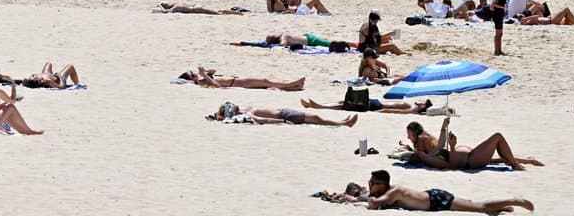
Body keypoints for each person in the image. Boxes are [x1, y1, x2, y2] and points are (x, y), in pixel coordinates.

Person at [364, 169, 533, 213]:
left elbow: (373, 205)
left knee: (479, 207)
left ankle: (514, 200)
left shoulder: (393, 192)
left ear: (382, 184)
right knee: (474, 206)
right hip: (433, 199)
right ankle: (503, 207)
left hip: (437, 200)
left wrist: (363, 198)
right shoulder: (389, 191)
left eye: (372, 183)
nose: (370, 185)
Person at [404, 118, 544, 171]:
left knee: (497, 157)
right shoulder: (429, 158)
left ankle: (527, 160)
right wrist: (452, 147)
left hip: (468, 155)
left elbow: (440, 146)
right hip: (470, 160)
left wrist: (443, 126)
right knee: (497, 138)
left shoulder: (429, 153)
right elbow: (452, 167)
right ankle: (516, 165)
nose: (417, 148)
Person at [207, 103, 357, 127]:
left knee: (315, 118)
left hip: (284, 112)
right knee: (316, 119)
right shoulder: (247, 114)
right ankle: (342, 123)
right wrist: (283, 121)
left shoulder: (246, 109)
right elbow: (264, 120)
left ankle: (341, 122)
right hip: (285, 115)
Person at [179, 66, 304, 91]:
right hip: (239, 82)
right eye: (193, 75)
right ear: (192, 79)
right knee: (266, 81)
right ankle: (291, 84)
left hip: (238, 80)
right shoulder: (201, 83)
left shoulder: (202, 78)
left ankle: (294, 87)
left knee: (266, 83)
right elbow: (217, 86)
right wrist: (205, 75)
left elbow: (214, 72)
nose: (195, 74)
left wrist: (206, 71)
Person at [301, 97, 430, 114]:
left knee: (344, 105)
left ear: (423, 106)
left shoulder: (412, 109)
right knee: (343, 102)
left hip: (376, 107)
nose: (420, 100)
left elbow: (398, 111)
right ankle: (320, 105)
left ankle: (319, 106)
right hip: (376, 103)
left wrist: (383, 111)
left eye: (423, 102)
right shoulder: (410, 105)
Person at [157, 2, 244, 15]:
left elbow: (165, 12)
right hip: (195, 7)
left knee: (218, 13)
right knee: (217, 11)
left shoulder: (175, 7)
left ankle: (236, 13)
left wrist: (159, 6)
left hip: (195, 10)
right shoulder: (177, 4)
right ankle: (235, 12)